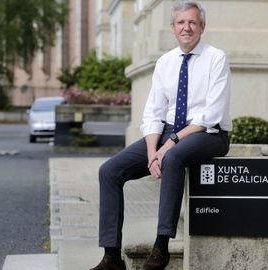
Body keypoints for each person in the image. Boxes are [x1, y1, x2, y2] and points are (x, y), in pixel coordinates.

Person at [90, 1, 232, 269]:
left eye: (192, 22)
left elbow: (210, 115)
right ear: (172, 28)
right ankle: (111, 257)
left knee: (173, 157)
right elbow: (153, 113)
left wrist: (168, 147)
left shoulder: (217, 58)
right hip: (168, 132)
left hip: (209, 133)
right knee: (109, 171)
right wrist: (151, 152)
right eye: (181, 23)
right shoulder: (165, 62)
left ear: (202, 26)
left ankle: (161, 247)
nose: (186, 28)